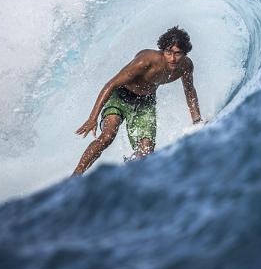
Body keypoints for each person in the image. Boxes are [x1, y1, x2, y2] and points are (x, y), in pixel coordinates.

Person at [71, 26, 202, 176]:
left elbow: (189, 90)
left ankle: (130, 168)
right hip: (120, 97)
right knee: (107, 136)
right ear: (162, 51)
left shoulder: (186, 66)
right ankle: (75, 176)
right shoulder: (145, 61)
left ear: (185, 53)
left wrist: (197, 120)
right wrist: (92, 118)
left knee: (146, 152)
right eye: (168, 52)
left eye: (178, 54)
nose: (172, 58)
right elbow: (111, 84)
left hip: (145, 102)